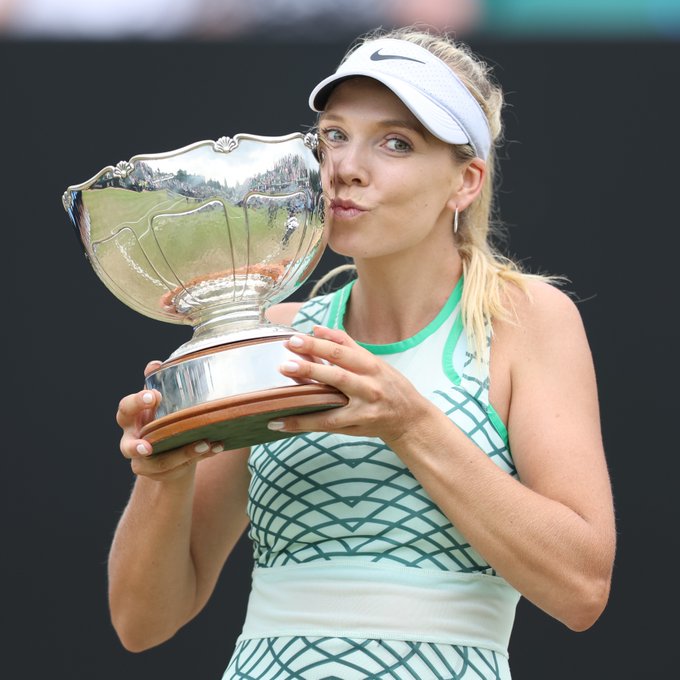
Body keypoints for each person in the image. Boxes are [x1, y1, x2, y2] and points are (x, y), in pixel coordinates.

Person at [110, 26, 616, 679]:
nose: (345, 165)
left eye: (395, 143)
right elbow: (141, 622)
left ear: (465, 183)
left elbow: (581, 590)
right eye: (334, 135)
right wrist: (164, 474)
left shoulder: (527, 322)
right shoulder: (274, 334)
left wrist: (409, 422)